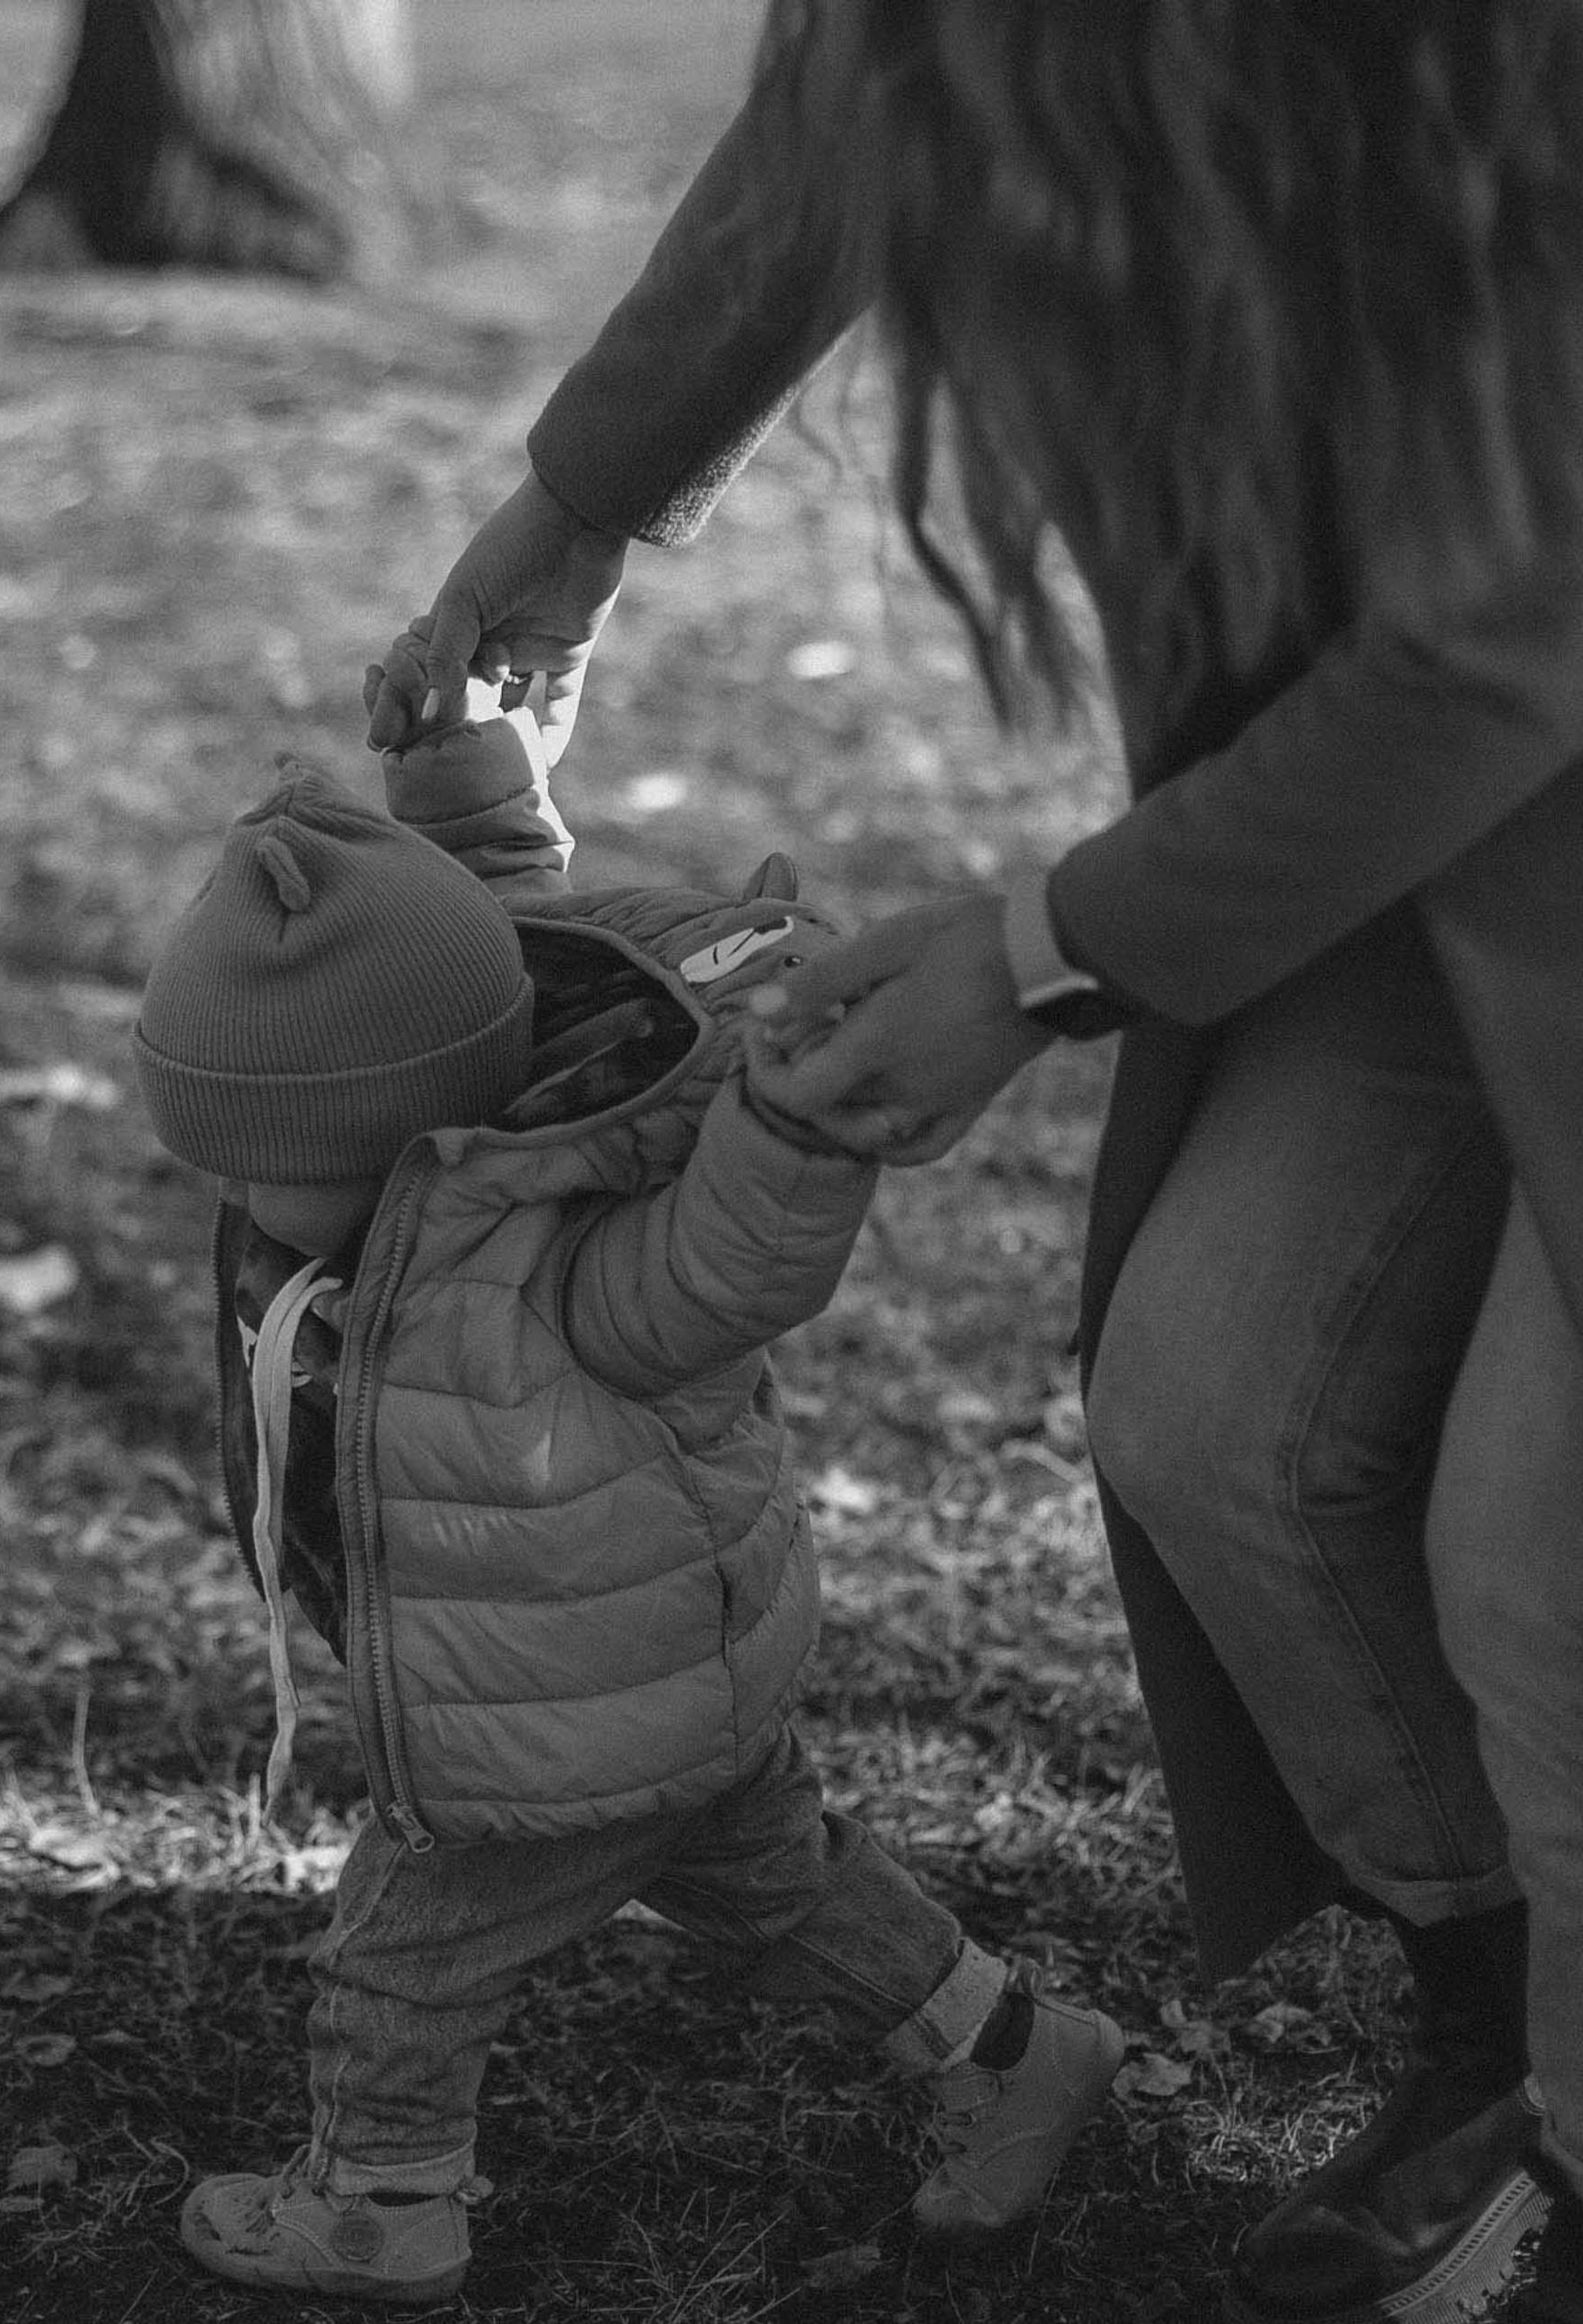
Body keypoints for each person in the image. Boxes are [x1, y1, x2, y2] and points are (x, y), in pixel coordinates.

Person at [363, 8, 1583, 2323]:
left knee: (1545, 1556)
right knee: (1214, 1411)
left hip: (1567, 762)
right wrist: (566, 518)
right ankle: (1507, 2011)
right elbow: (846, 120)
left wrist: (1045, 952)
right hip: (1416, 814)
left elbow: (1522, 619)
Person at [132, 701, 1123, 2304]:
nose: (232, 1198)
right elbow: (482, 929)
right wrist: (460, 779)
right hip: (666, 1684)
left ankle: (382, 2204)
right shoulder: (437, 1073)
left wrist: (797, 1127)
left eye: (254, 1161)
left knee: (402, 1959)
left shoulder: (560, 1259)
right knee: (779, 1882)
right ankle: (1014, 2052)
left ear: (391, 1133)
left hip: (567, 1714)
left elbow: (737, 1257)